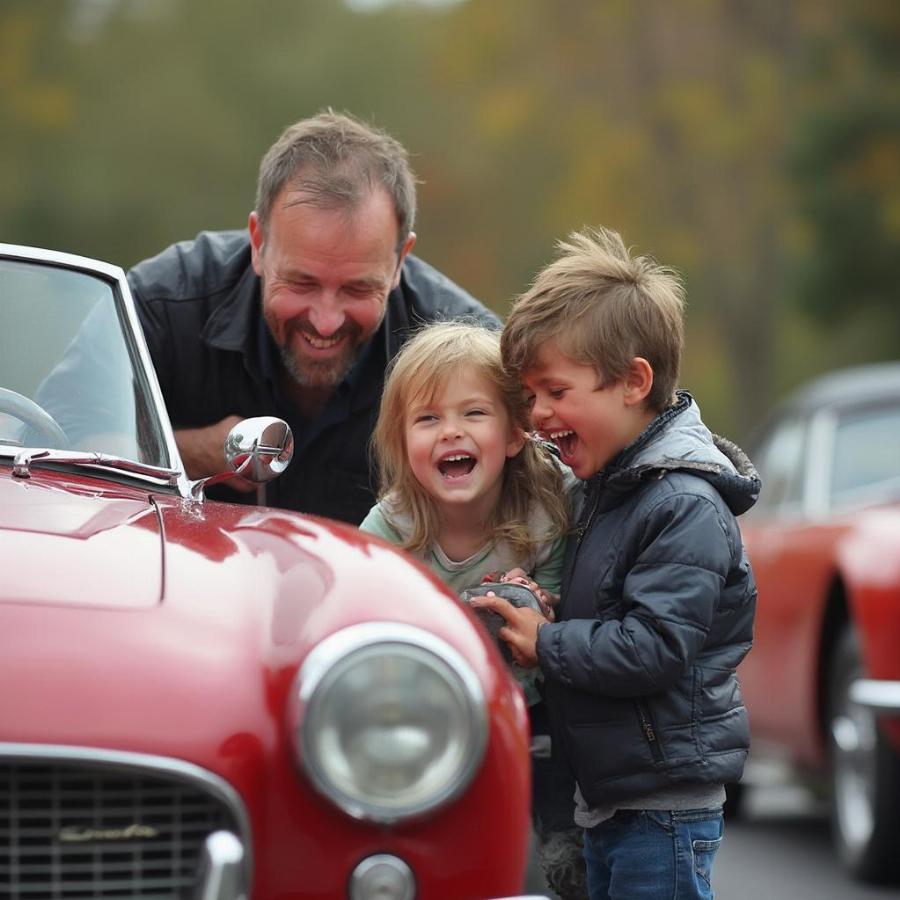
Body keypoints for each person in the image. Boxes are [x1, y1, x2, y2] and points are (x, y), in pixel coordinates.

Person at [472, 227, 760, 900]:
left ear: (633, 382)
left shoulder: (683, 505)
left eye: (554, 392)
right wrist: (544, 606)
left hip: (663, 801)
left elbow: (655, 646)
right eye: (529, 397)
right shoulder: (608, 490)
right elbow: (612, 610)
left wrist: (548, 642)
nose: (538, 416)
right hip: (614, 791)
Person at [128, 110, 498, 524]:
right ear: (258, 242)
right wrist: (193, 452)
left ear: (399, 261)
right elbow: (63, 443)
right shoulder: (163, 301)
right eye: (301, 284)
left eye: (357, 289)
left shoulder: (475, 353)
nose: (325, 322)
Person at [359, 320, 587, 899]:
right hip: (426, 712)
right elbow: (361, 618)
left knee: (554, 793)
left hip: (531, 708)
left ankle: (562, 852)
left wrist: (538, 604)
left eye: (473, 414)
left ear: (515, 433)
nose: (449, 432)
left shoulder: (546, 510)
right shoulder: (390, 529)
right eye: (428, 418)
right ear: (401, 438)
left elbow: (560, 599)